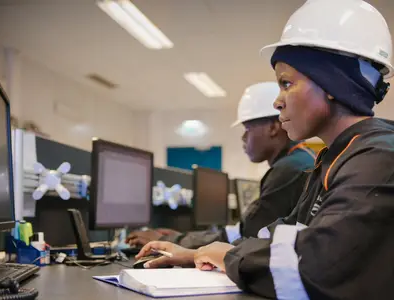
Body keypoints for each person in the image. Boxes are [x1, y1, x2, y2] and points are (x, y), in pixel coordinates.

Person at [136, 0, 394, 299]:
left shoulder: (379, 157)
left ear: (332, 82)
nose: (278, 101)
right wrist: (199, 252)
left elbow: (317, 266)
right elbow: (281, 233)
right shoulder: (338, 155)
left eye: (286, 83)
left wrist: (228, 256)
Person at [126, 82, 315, 249]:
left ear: (273, 127)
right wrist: (178, 237)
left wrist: (172, 240)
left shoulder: (289, 170)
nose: (243, 138)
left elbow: (245, 235)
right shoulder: (301, 159)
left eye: (248, 129)